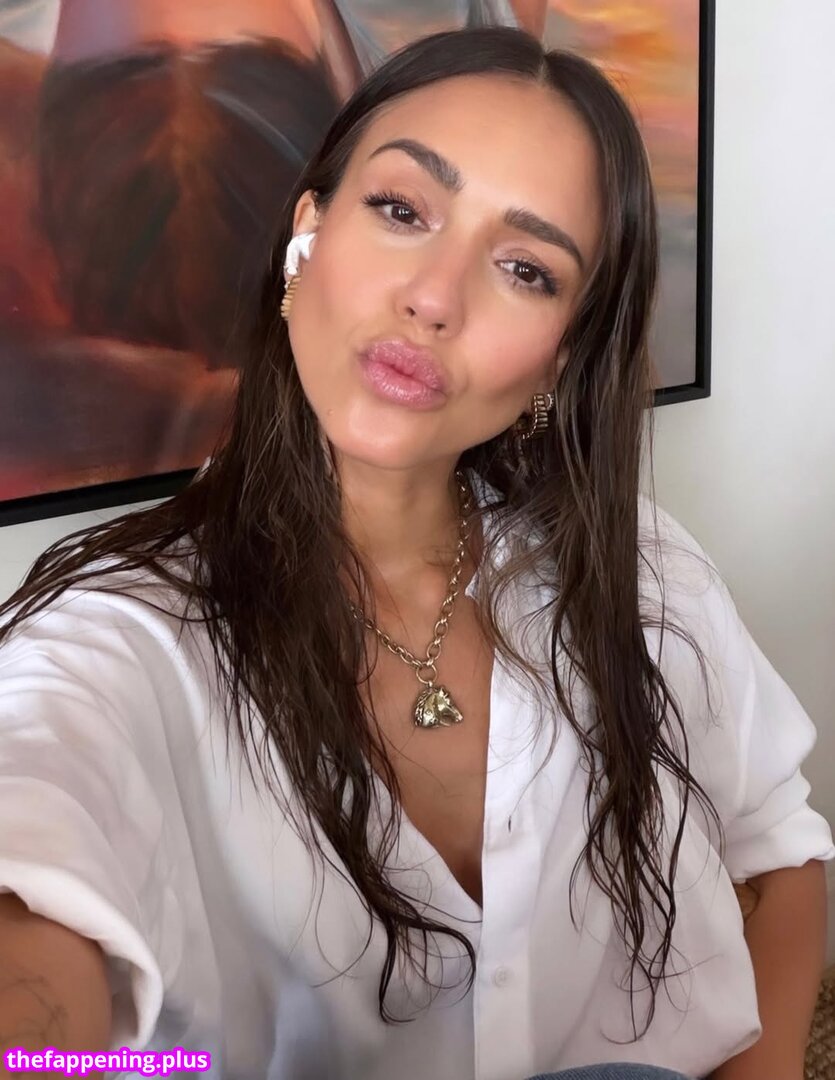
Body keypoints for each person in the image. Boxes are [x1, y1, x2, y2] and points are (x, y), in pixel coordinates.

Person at [0, 25, 831, 1080]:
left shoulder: (638, 567)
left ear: (560, 357)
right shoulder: (120, 639)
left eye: (525, 269)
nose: (434, 298)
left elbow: (777, 846)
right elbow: (34, 847)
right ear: (307, 236)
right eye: (401, 211)